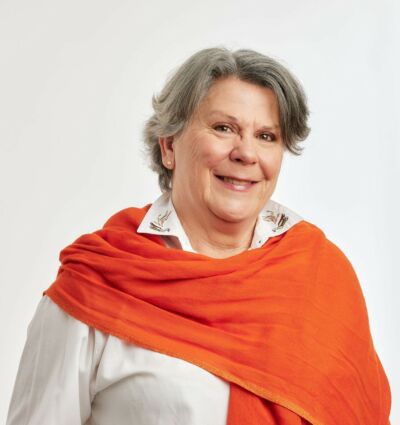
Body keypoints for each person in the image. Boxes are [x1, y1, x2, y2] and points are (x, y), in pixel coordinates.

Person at [7, 47, 391, 425]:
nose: (246, 153)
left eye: (266, 136)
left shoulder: (321, 276)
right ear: (169, 146)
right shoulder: (97, 281)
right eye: (224, 128)